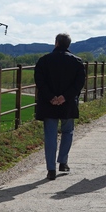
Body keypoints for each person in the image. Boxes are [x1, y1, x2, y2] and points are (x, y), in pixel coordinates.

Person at [34, 33, 87, 180]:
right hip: (68, 102)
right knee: (68, 131)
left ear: (56, 43)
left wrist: (51, 96)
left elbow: (39, 81)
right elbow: (79, 83)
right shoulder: (77, 62)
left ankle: (51, 169)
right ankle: (63, 162)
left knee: (50, 135)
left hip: (48, 103)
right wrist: (65, 97)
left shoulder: (44, 60)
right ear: (68, 45)